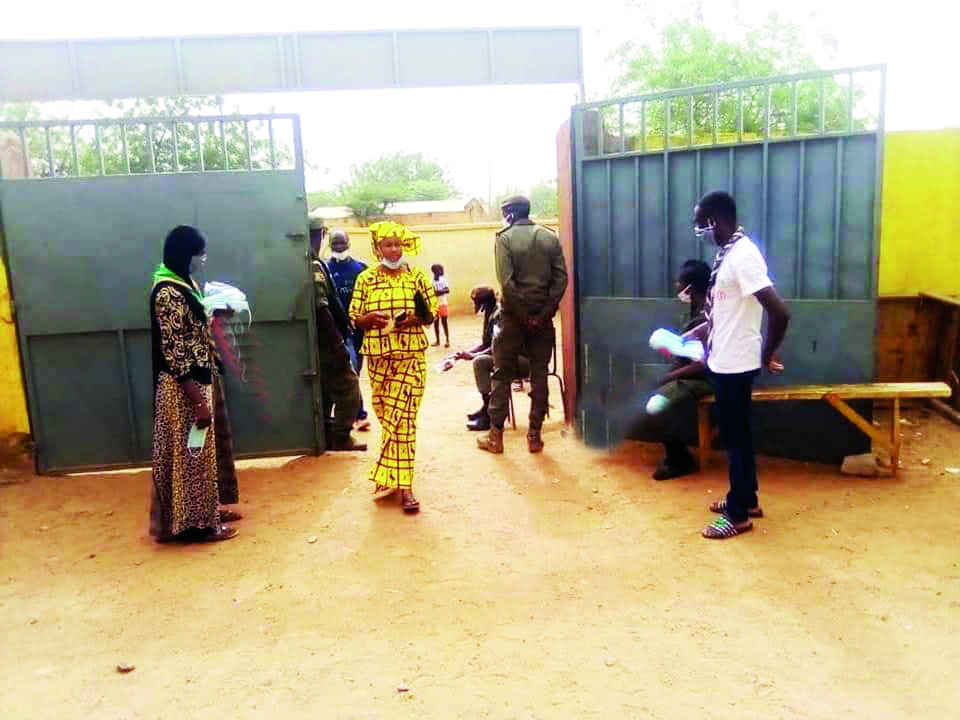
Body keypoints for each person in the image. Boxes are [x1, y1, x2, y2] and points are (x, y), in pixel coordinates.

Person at [694, 191, 790, 540]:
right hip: (725, 360)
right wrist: (697, 335)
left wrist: (767, 353)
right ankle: (746, 499)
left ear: (715, 221)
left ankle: (738, 515)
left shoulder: (744, 256)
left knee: (734, 438)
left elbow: (779, 311)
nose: (699, 231)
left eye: (700, 224)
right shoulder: (729, 254)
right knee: (740, 434)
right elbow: (725, 310)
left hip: (736, 364)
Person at [149, 225, 238, 543]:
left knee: (204, 455)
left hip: (201, 376)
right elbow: (173, 350)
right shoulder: (167, 292)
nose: (201, 260)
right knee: (192, 457)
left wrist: (216, 314)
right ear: (184, 254)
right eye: (198, 254)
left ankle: (208, 511)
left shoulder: (184, 283)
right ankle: (198, 525)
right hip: (183, 387)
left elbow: (192, 329)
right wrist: (198, 400)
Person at [350, 221, 438, 514]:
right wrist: (367, 319)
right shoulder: (366, 279)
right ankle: (390, 475)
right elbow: (354, 316)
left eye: (397, 244)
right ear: (377, 248)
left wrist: (414, 319)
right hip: (378, 358)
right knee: (389, 418)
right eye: (387, 244)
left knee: (404, 420)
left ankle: (405, 487)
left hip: (411, 357)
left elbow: (432, 312)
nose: (394, 249)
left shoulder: (417, 276)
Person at [477, 195, 568, 454]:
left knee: (501, 374)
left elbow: (506, 283)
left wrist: (523, 315)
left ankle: (496, 437)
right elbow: (561, 280)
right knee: (539, 374)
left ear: (510, 213)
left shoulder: (504, 238)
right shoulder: (550, 237)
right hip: (543, 319)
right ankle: (535, 436)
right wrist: (542, 314)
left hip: (512, 318)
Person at [632, 259, 713, 480]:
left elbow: (701, 365)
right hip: (692, 376)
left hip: (707, 379)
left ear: (691, 287)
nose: (677, 287)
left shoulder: (707, 315)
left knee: (655, 405)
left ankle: (679, 459)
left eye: (680, 282)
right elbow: (685, 353)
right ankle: (677, 455)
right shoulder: (694, 309)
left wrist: (667, 378)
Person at [306, 219, 366, 452]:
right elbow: (322, 308)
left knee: (327, 387)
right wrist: (338, 343)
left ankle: (326, 434)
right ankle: (340, 435)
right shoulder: (315, 265)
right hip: (329, 338)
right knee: (348, 385)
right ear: (322, 235)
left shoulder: (358, 267)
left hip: (341, 333)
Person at [456, 285, 531, 431]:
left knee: (480, 362)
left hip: (522, 362)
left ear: (484, 303)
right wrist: (467, 352)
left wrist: (474, 356)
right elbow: (487, 344)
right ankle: (487, 408)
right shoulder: (490, 314)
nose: (475, 305)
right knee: (480, 360)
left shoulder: (500, 315)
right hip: (507, 359)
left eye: (477, 302)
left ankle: (489, 413)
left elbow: (499, 345)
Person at [326, 228, 371, 432]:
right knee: (349, 368)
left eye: (342, 245)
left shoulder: (361, 269)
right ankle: (359, 414)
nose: (339, 249)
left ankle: (353, 412)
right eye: (335, 245)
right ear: (330, 246)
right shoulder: (324, 269)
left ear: (349, 244)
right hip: (336, 329)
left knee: (355, 369)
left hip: (358, 329)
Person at [431, 263, 451, 347]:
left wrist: (439, 292)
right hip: (435, 305)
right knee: (436, 323)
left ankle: (447, 340)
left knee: (444, 322)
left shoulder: (443, 280)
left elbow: (447, 290)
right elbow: (435, 292)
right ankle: (438, 340)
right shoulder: (431, 281)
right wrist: (442, 291)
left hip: (442, 303)